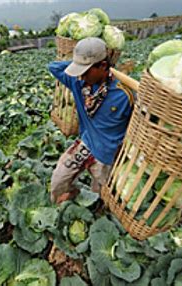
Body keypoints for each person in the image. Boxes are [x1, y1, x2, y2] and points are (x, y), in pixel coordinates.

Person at [48, 37, 134, 204]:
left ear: (102, 66)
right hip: (85, 144)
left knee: (100, 196)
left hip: (106, 156)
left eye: (85, 70)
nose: (80, 75)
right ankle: (71, 195)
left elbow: (137, 128)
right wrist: (79, 62)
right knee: (59, 179)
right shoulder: (78, 82)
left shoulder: (124, 95)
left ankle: (98, 208)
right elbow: (53, 67)